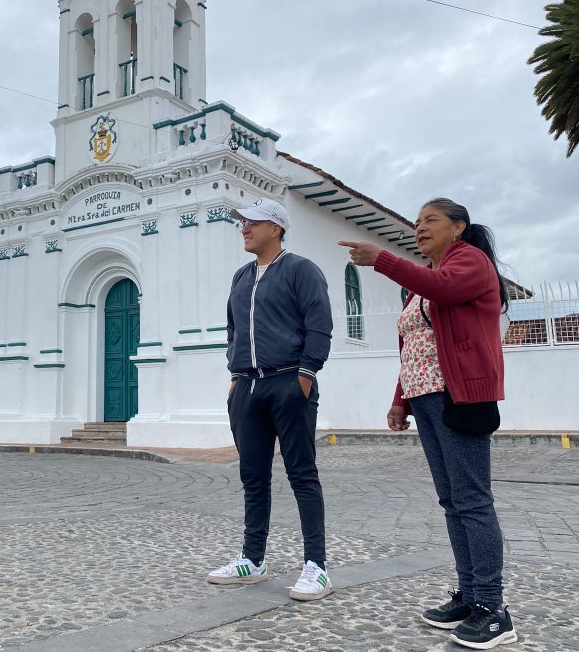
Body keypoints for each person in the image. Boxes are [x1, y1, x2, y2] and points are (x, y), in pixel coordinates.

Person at [340, 197, 517, 649]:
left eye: (431, 221)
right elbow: (413, 346)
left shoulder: (469, 263)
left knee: (473, 501)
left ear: (458, 227)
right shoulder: (425, 283)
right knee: (451, 500)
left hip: (460, 398)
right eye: (417, 222)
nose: (419, 228)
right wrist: (400, 400)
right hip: (427, 399)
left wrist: (380, 259)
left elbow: (445, 291)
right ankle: (471, 595)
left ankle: (494, 609)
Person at [207, 198, 334, 601]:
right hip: (246, 387)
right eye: (242, 223)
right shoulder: (240, 276)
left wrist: (307, 372)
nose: (244, 228)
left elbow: (319, 324)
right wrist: (234, 375)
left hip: (288, 382)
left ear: (276, 228)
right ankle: (252, 558)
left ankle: (316, 566)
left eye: (253, 222)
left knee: (301, 473)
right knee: (253, 476)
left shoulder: (301, 270)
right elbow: (233, 330)